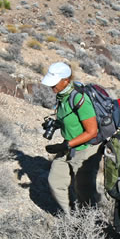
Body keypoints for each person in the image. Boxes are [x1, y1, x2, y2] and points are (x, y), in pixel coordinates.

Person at [41, 61, 101, 213]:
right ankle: (71, 218)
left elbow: (92, 131)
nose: (51, 87)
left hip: (86, 150)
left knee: (84, 192)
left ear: (65, 80)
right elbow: (70, 120)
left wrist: (66, 145)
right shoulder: (62, 97)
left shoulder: (79, 99)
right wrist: (56, 124)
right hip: (69, 147)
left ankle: (90, 225)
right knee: (55, 182)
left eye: (54, 83)